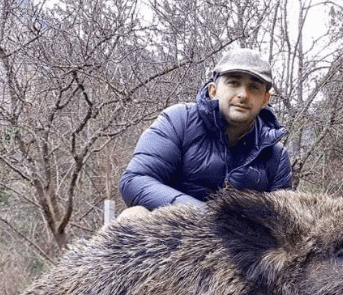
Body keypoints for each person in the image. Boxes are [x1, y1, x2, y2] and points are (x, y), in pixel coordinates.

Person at [119, 48, 293, 212]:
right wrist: (208, 218)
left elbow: (282, 223)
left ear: (265, 99)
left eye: (254, 87)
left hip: (239, 243)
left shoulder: (276, 158)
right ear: (213, 90)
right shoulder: (179, 121)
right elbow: (135, 181)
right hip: (170, 235)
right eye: (234, 83)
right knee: (134, 215)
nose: (243, 95)